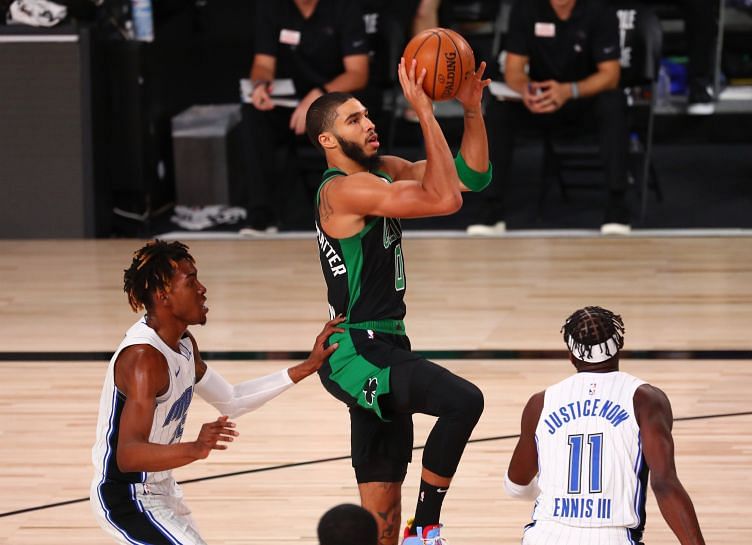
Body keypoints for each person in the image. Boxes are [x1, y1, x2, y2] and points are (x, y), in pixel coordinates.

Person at [304, 57, 493, 545]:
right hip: (357, 351)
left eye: (367, 114)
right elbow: (445, 200)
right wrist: (426, 113)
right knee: (463, 401)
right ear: (327, 140)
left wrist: (471, 111)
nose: (369, 124)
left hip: (386, 344)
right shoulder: (343, 192)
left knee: (381, 518)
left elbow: (470, 177)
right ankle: (426, 527)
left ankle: (407, 531)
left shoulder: (382, 170)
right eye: (353, 119)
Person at [89, 240, 344, 545]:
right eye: (191, 280)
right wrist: (195, 448)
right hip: (126, 498)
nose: (202, 288)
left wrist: (306, 367)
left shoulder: (183, 343)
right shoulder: (144, 359)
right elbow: (128, 456)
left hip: (161, 488)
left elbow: (232, 399)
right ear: (163, 296)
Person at [505, 306, 706, 545]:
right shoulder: (646, 400)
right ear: (619, 345)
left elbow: (516, 486)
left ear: (571, 354)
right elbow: (664, 484)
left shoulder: (540, 403)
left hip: (544, 536)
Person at [472, 0, 631, 235]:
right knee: (499, 109)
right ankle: (491, 207)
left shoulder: (599, 10)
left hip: (581, 99)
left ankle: (617, 206)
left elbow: (611, 75)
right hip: (540, 99)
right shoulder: (526, 9)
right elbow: (514, 69)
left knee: (613, 102)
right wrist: (528, 90)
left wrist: (569, 91)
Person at [239, 0, 370, 234]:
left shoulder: (344, 7)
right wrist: (260, 85)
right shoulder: (271, 8)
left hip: (333, 98)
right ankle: (262, 213)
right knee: (253, 113)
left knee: (352, 115)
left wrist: (319, 96)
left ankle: (356, 205)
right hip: (289, 100)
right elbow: (263, 63)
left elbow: (358, 73)